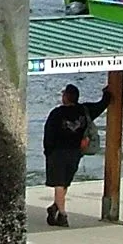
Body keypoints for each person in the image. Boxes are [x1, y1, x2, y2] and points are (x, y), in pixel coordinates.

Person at [43, 83, 112, 227]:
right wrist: (107, 93)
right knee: (65, 182)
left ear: (65, 97)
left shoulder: (56, 114)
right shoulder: (84, 110)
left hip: (58, 152)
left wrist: (48, 152)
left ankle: (62, 215)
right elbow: (102, 104)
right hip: (75, 152)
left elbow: (48, 134)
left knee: (59, 184)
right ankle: (55, 207)